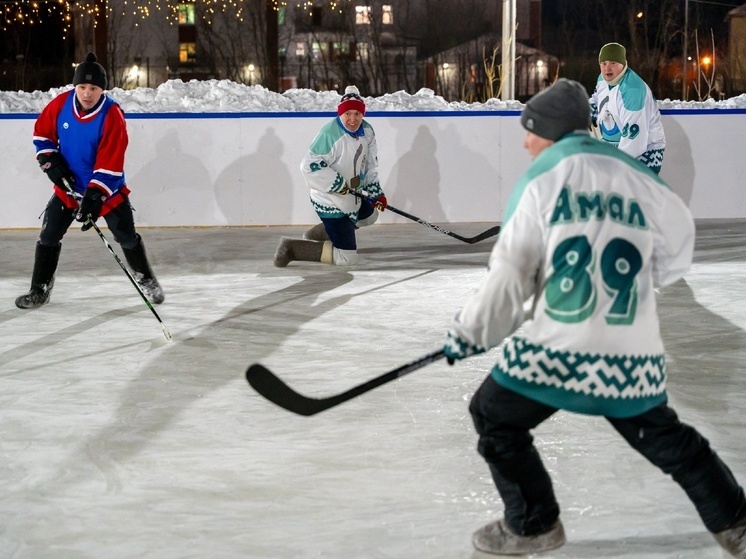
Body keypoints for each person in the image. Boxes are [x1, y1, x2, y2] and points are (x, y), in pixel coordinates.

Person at [444, 78, 746, 557]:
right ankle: (737, 522)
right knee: (668, 439)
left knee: (493, 414)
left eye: (531, 130)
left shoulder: (542, 177)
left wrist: (469, 333)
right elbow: (678, 242)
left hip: (562, 344)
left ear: (553, 132)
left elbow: (510, 277)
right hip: (630, 348)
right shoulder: (636, 173)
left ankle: (533, 524)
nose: (526, 141)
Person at [16, 52, 164, 309]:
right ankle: (39, 290)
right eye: (82, 87)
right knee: (49, 235)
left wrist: (95, 197)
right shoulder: (61, 104)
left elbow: (111, 160)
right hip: (68, 189)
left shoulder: (112, 115)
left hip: (108, 193)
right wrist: (50, 161)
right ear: (75, 86)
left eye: (93, 88)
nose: (86, 93)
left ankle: (147, 281)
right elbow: (42, 134)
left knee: (127, 238)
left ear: (101, 89)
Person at [273, 85, 387, 267]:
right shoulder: (330, 134)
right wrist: (336, 184)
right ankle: (291, 248)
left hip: (352, 195)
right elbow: (308, 165)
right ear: (340, 114)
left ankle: (318, 235)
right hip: (331, 199)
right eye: (347, 114)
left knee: (371, 213)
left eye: (357, 114)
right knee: (346, 258)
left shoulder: (367, 131)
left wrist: (375, 193)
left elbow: (370, 165)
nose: (352, 119)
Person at [590, 42, 666, 174]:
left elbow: (634, 140)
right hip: (614, 149)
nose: (607, 68)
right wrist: (590, 110)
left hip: (643, 156)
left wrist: (614, 166)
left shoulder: (633, 90)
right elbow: (598, 98)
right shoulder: (602, 79)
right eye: (603, 63)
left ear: (623, 64)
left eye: (613, 63)